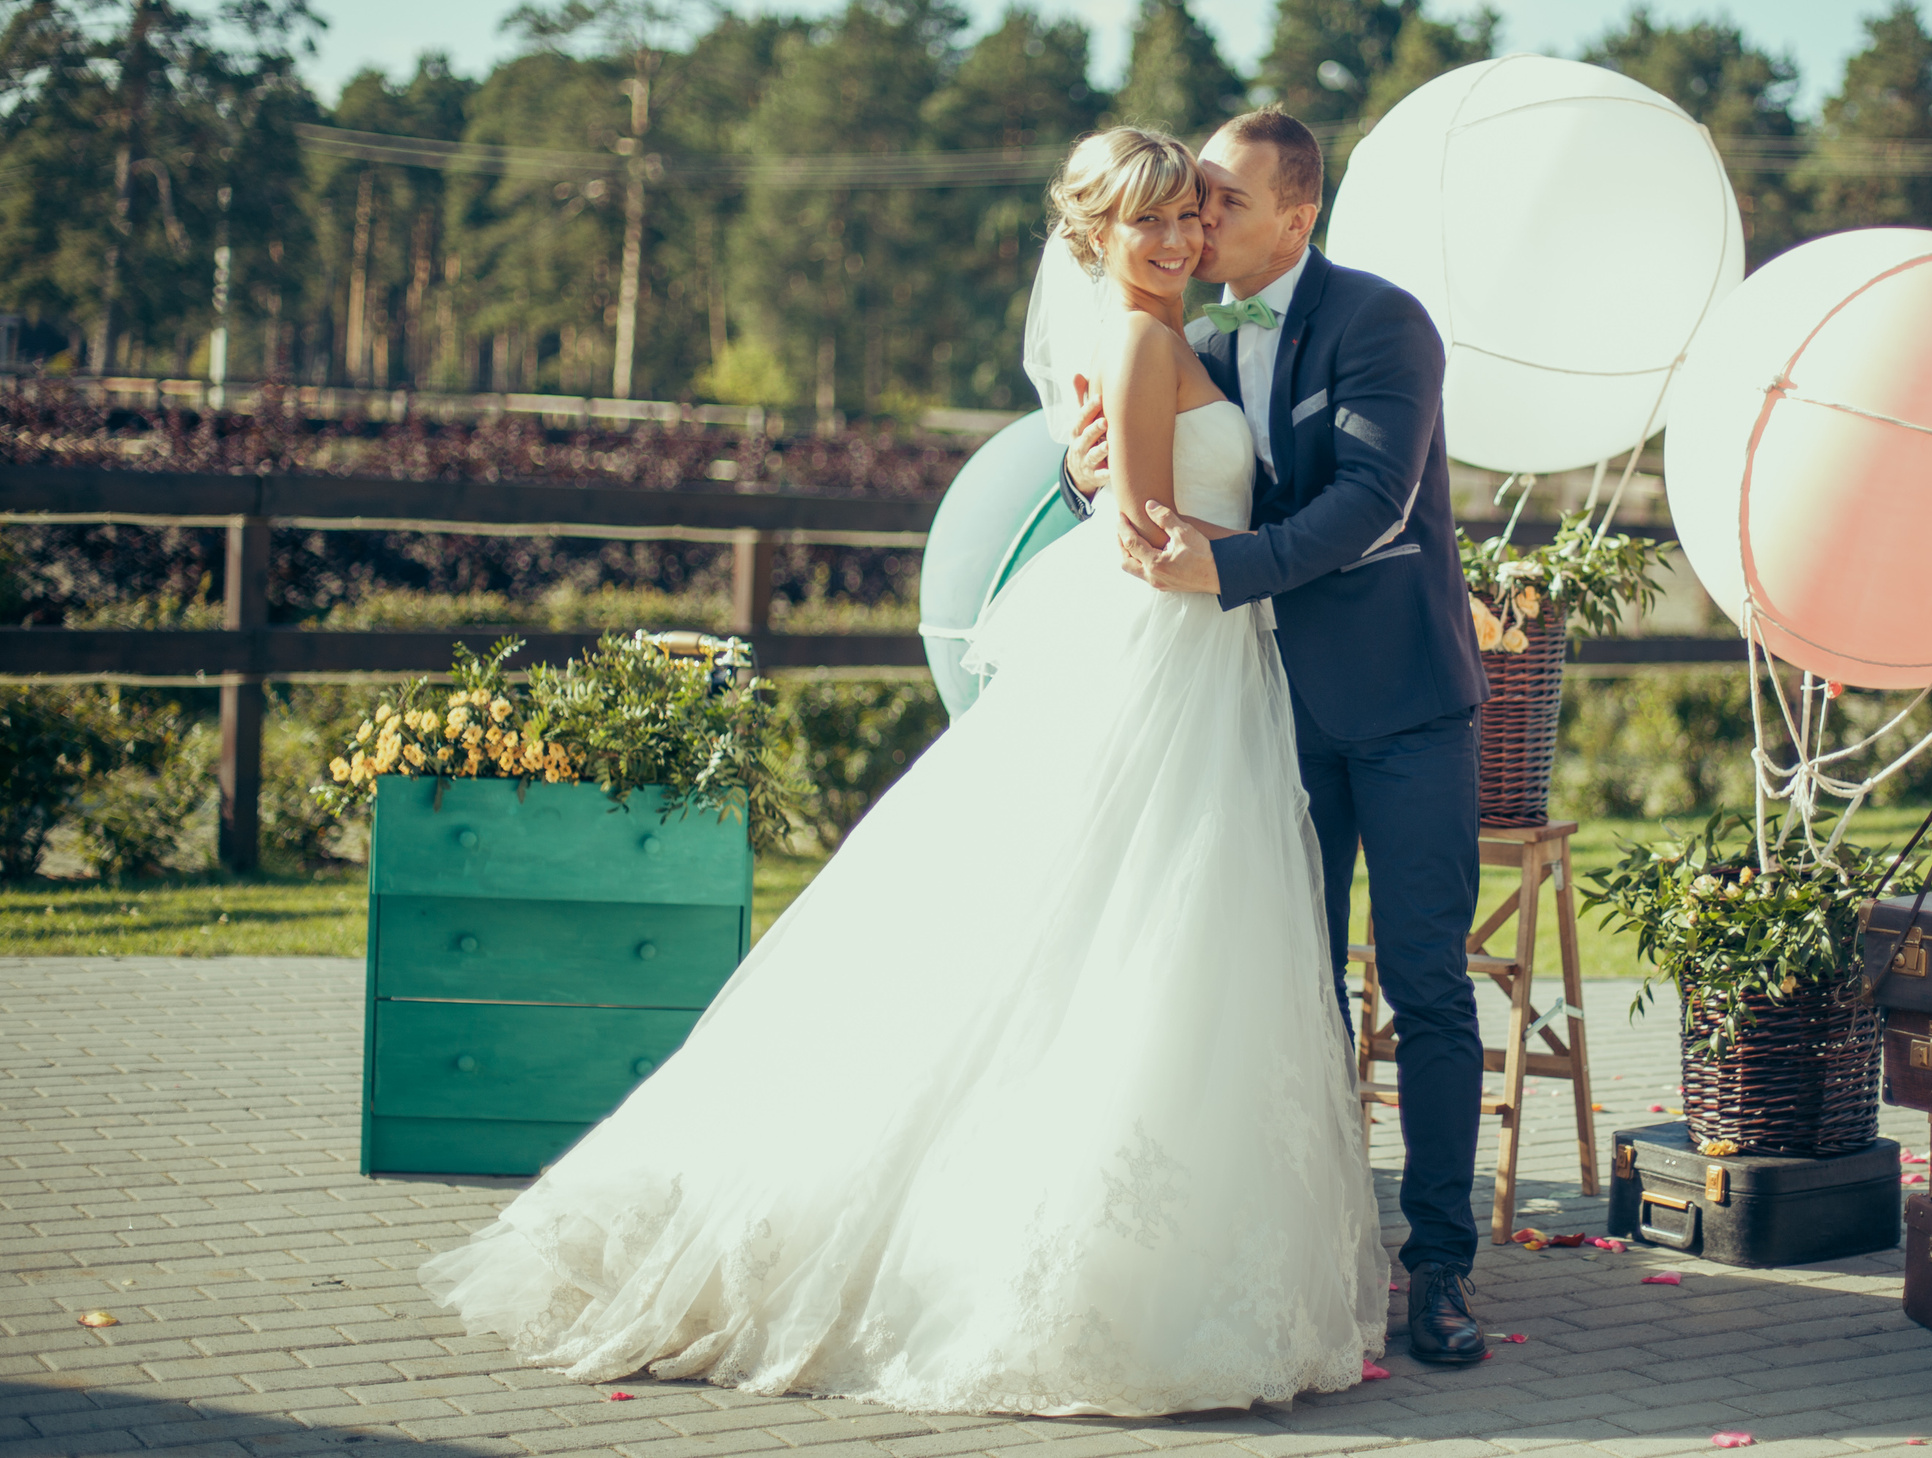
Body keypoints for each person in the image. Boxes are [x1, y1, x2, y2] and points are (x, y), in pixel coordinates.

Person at [421, 128, 1388, 1414]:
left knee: (1120, 941)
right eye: (1149, 221)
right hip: (1168, 650)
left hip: (1196, 658)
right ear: (1092, 231)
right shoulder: (1150, 337)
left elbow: (1118, 488)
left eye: (1187, 218)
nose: (1175, 240)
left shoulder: (1159, 336)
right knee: (1133, 931)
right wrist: (1248, 543)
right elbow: (1146, 533)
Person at [1060, 110, 1493, 1368]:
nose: (1195, 220)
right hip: (1262, 715)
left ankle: (1440, 1267)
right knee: (1283, 984)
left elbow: (1373, 501)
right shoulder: (1192, 328)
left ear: (1298, 217)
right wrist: (1080, 466)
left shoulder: (1381, 320)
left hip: (1406, 706)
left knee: (1423, 986)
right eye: (1184, 200)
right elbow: (1141, 463)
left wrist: (1224, 568)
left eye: (1219, 202)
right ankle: (1313, 1251)